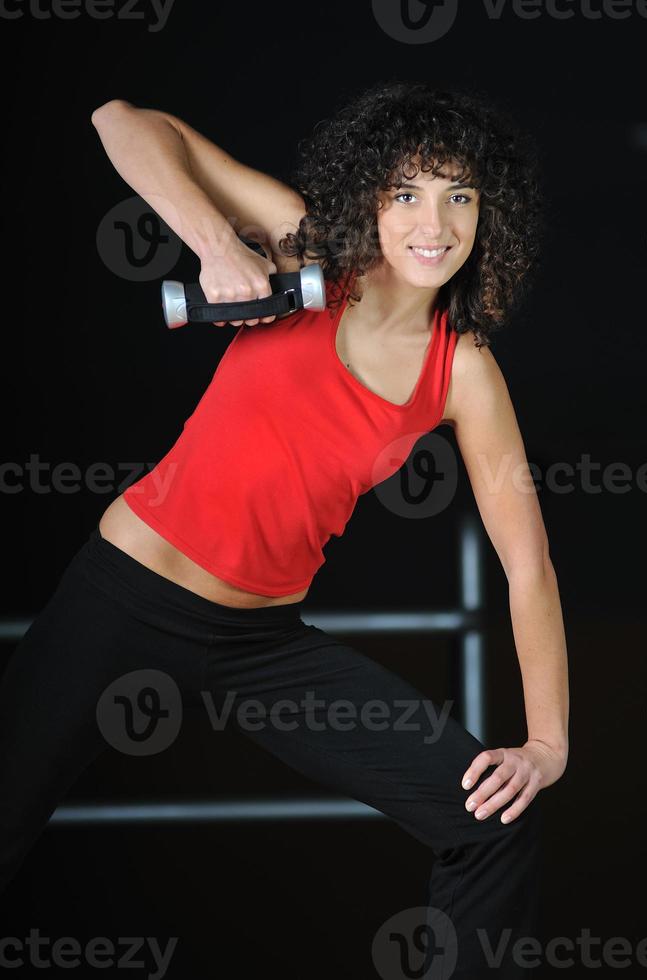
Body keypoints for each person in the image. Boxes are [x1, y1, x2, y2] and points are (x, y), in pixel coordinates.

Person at [0, 80, 569, 977]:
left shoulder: (465, 372)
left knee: (493, 821)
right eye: (408, 192)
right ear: (370, 203)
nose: (436, 221)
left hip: (258, 645)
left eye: (459, 195)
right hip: (122, 599)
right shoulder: (311, 254)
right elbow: (119, 120)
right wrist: (218, 244)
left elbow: (527, 568)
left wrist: (545, 744)